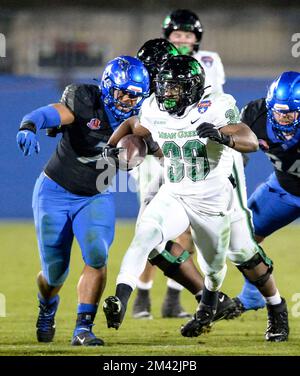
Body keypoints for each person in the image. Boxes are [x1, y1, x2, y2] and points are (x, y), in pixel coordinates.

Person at [102, 55, 288, 342]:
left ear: (191, 88)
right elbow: (132, 125)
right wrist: (111, 147)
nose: (167, 93)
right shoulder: (154, 107)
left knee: (230, 261)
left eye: (174, 87)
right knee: (146, 235)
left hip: (215, 200)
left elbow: (248, 140)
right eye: (164, 86)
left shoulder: (215, 105)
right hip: (175, 193)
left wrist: (222, 137)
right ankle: (121, 298)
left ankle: (272, 307)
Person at [16, 56, 150, 346]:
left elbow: (164, 146)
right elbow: (51, 113)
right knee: (54, 272)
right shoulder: (84, 100)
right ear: (107, 87)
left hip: (95, 195)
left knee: (97, 254)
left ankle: (83, 328)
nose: (128, 100)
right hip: (54, 192)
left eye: (135, 95)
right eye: (123, 92)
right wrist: (29, 124)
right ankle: (47, 306)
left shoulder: (145, 118)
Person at [232, 71, 300, 316]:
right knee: (242, 236)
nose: (283, 118)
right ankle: (252, 296)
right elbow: (235, 151)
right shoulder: (255, 114)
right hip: (284, 189)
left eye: (290, 113)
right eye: (279, 111)